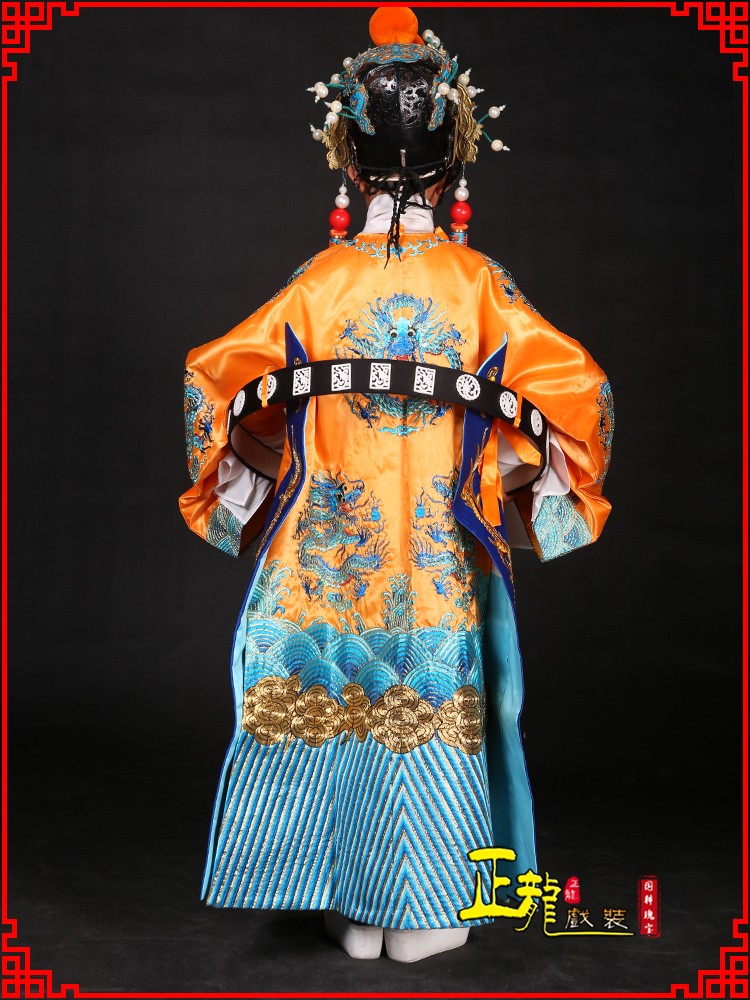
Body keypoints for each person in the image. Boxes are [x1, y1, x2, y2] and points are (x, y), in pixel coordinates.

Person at [179, 6, 614, 963]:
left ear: (348, 163)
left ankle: (347, 901)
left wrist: (264, 465)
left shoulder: (316, 286)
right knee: (428, 704)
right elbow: (580, 395)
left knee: (329, 692)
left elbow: (214, 382)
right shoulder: (478, 285)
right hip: (434, 558)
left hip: (327, 556)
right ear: (456, 163)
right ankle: (427, 904)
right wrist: (506, 463)